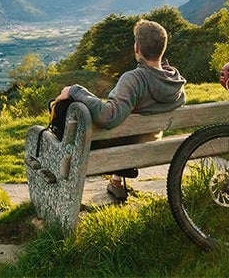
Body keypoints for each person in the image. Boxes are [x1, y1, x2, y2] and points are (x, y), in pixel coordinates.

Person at [54, 19, 186, 200]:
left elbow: (109, 117)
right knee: (125, 123)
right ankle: (116, 182)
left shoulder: (135, 79)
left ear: (137, 48)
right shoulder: (175, 81)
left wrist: (75, 90)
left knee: (64, 108)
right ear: (162, 48)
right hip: (147, 145)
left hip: (121, 149)